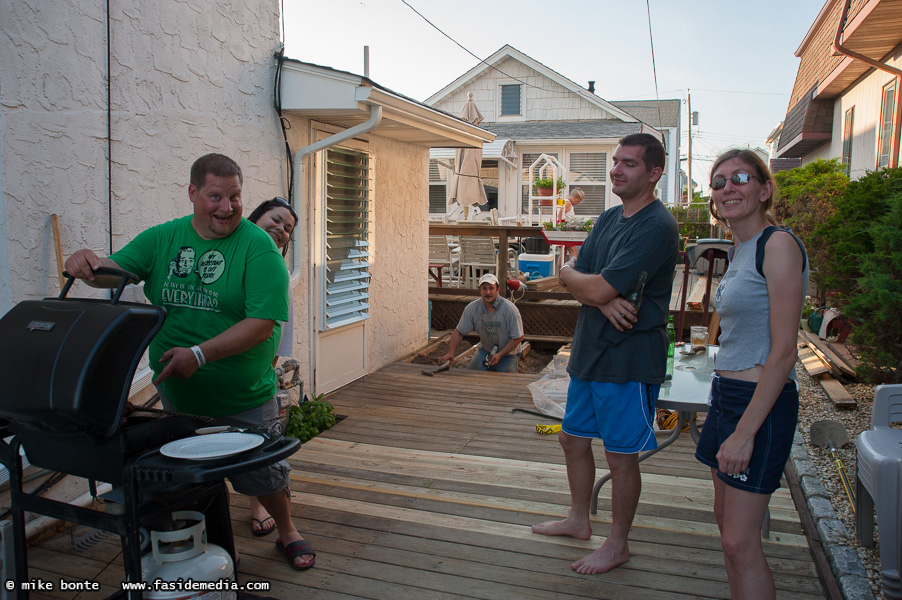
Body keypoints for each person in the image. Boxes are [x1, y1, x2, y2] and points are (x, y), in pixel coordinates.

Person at [63, 153, 315, 571]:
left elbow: (260, 324)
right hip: (179, 394)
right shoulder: (164, 238)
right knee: (194, 474)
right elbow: (117, 271)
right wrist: (89, 266)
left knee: (262, 474)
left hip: (244, 394)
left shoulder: (258, 248)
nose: (227, 207)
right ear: (193, 193)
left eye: (235, 197)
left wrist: (198, 355)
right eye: (216, 196)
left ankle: (287, 529)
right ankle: (216, 547)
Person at [531, 133, 679, 574]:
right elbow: (575, 274)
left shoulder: (656, 226)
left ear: (654, 174)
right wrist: (593, 290)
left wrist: (591, 287)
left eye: (629, 164)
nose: (616, 169)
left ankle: (617, 544)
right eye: (615, 161)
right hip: (591, 351)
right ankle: (579, 520)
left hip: (629, 359)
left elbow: (588, 282)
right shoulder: (610, 218)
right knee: (571, 439)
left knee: (620, 454)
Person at [694, 149, 808, 599]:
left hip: (759, 404)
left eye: (740, 178)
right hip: (726, 395)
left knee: (741, 541)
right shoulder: (739, 249)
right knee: (728, 531)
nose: (727, 188)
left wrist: (744, 433)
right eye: (719, 181)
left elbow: (784, 352)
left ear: (764, 189)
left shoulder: (776, 244)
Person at [244, 197, 298, 538]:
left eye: (287, 228)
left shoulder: (278, 273)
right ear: (255, 218)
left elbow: (281, 332)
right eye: (275, 220)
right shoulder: (228, 258)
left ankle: (283, 526)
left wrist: (268, 368)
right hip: (202, 377)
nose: (280, 229)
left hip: (252, 382)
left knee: (260, 454)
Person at [438, 273, 524, 373]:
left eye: (491, 288)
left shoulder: (510, 310)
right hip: (485, 351)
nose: (488, 292)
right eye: (484, 288)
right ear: (480, 290)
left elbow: (518, 337)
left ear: (498, 289)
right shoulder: (472, 308)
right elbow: (459, 331)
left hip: (508, 354)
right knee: (469, 376)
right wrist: (451, 352)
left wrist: (500, 354)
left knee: (505, 385)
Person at [561, 188, 586, 259]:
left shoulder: (565, 202)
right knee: (573, 252)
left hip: (564, 231)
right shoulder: (568, 203)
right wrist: (562, 225)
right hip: (566, 231)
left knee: (563, 253)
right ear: (575, 197)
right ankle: (573, 269)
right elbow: (561, 214)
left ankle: (561, 269)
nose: (577, 203)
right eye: (578, 201)